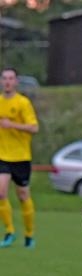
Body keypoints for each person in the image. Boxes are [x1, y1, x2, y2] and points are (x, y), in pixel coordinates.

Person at [0, 68, 39, 249]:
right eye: (5, 78)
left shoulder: (23, 103)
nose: (7, 81)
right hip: (3, 156)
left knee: (23, 196)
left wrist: (12, 124)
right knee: (1, 193)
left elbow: (33, 128)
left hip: (21, 157)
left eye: (11, 78)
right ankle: (9, 231)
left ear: (16, 82)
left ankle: (29, 234)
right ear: (1, 81)